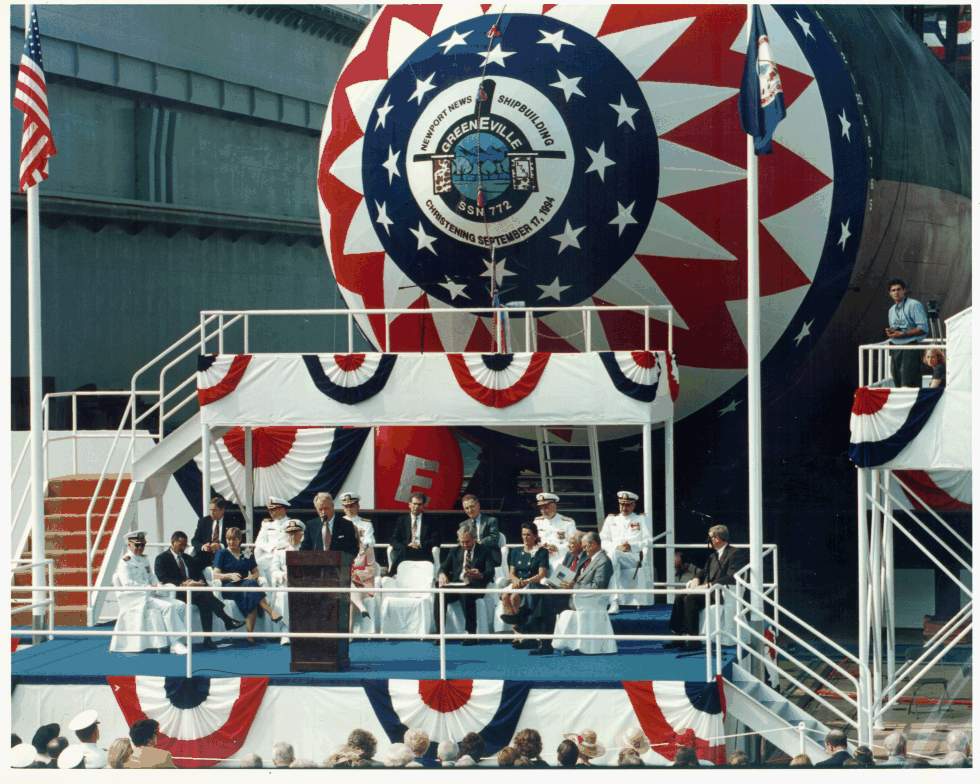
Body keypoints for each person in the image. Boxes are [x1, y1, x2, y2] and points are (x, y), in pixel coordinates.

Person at [154, 530, 245, 649]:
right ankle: (227, 620)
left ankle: (208, 639)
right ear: (173, 542)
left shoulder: (187, 558)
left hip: (194, 592)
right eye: (181, 544)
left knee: (205, 602)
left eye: (185, 545)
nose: (183, 548)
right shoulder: (162, 558)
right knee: (205, 596)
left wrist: (199, 583)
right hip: (176, 592)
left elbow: (198, 571)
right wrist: (184, 584)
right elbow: (162, 578)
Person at [668, 524, 747, 650]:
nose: (709, 541)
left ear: (718, 538)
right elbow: (703, 572)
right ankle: (678, 637)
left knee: (690, 599)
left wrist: (708, 585)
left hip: (721, 592)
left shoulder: (735, 553)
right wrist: (696, 578)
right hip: (709, 591)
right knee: (679, 597)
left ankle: (694, 640)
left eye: (711, 538)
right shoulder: (712, 556)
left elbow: (731, 576)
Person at [114, 530, 190, 654]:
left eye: (143, 545)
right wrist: (148, 587)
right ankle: (176, 643)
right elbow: (128, 584)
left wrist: (158, 585)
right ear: (129, 545)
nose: (140, 548)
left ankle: (174, 640)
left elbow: (151, 576)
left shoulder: (144, 559)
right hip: (138, 598)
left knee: (180, 605)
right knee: (168, 607)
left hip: (151, 595)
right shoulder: (125, 562)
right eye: (137, 545)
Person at [212, 526, 283, 643]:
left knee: (251, 594)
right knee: (251, 588)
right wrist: (230, 575)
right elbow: (215, 575)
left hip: (246, 585)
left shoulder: (246, 553)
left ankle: (250, 635)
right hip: (229, 587)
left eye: (234, 539)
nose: (231, 542)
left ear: (240, 540)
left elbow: (256, 572)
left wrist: (251, 577)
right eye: (228, 539)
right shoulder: (222, 553)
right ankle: (270, 611)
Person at [434, 522, 495, 644]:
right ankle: (439, 633)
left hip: (475, 584)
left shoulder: (484, 551)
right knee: (439, 593)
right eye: (462, 542)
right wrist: (442, 574)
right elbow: (443, 567)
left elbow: (490, 572)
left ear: (474, 539)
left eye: (467, 542)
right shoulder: (455, 550)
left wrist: (480, 574)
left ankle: (471, 634)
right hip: (457, 584)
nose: (464, 545)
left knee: (466, 593)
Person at [600, 490, 654, 612]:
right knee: (614, 555)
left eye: (628, 505)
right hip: (615, 554)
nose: (624, 507)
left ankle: (613, 602)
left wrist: (631, 546)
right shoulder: (611, 520)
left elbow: (648, 541)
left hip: (634, 557)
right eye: (622, 504)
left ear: (633, 505)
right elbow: (603, 540)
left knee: (612, 558)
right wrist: (616, 547)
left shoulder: (640, 519)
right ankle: (614, 601)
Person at [499, 522, 549, 647]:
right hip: (517, 582)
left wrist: (525, 582)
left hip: (531, 583)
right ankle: (518, 634)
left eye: (528, 535)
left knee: (514, 597)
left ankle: (524, 635)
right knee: (504, 596)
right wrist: (516, 580)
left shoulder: (542, 552)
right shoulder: (515, 551)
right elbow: (511, 573)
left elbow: (541, 574)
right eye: (523, 534)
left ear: (535, 536)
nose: (525, 537)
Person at [885, 278, 929, 387]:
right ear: (890, 293)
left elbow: (923, 328)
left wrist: (902, 334)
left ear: (904, 290)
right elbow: (898, 328)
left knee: (909, 382)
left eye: (899, 289)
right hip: (895, 348)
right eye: (893, 290)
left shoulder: (914, 305)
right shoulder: (891, 310)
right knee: (897, 380)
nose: (896, 292)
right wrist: (892, 332)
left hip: (910, 347)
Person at [269, 519, 304, 645]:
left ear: (301, 533)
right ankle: (285, 631)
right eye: (290, 533)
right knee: (284, 595)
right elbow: (274, 570)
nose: (292, 536)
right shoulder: (280, 551)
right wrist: (283, 576)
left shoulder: (306, 549)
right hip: (285, 584)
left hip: (303, 584)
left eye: (295, 532)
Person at [389, 493, 440, 576]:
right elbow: (393, 540)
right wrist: (406, 545)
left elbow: (436, 539)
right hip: (406, 550)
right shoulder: (402, 520)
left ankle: (391, 574)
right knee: (403, 551)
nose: (416, 507)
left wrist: (420, 544)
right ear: (409, 504)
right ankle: (392, 575)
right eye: (414, 504)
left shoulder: (430, 521)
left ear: (423, 506)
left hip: (423, 550)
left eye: (419, 504)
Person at [254, 496, 300, 583]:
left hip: (285, 556)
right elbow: (259, 542)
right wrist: (272, 548)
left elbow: (297, 541)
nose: (270, 512)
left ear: (282, 509)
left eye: (273, 509)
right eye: (269, 510)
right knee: (261, 568)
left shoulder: (293, 524)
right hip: (270, 556)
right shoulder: (267, 525)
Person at [533, 492, 576, 571]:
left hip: (560, 559)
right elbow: (533, 541)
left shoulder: (567, 522)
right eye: (541, 508)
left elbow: (573, 544)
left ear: (554, 506)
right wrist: (541, 547)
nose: (543, 510)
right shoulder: (537, 522)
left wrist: (557, 548)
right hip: (541, 559)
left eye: (546, 507)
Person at [462, 494, 502, 567]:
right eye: (467, 508)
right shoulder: (463, 525)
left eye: (472, 506)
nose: (470, 510)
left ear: (478, 505)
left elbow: (494, 538)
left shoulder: (491, 521)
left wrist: (478, 543)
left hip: (489, 557)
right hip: (471, 558)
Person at [191, 497, 228, 567]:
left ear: (222, 510)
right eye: (210, 510)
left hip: (225, 556)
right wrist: (203, 546)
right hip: (206, 556)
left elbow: (238, 540)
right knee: (192, 563)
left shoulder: (231, 522)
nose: (211, 513)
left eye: (214, 510)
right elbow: (194, 540)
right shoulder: (203, 521)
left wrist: (220, 546)